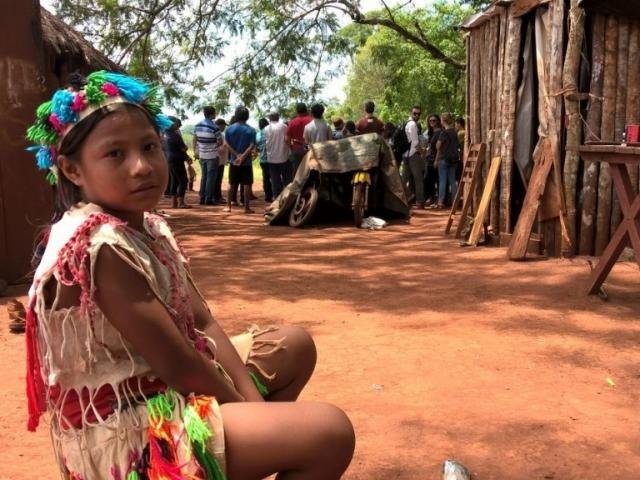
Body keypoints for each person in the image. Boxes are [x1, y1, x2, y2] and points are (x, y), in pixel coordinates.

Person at [24, 71, 355, 480]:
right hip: (128, 429)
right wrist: (249, 414)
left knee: (293, 345)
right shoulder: (98, 245)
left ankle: (245, 452)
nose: (142, 166)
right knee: (329, 433)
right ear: (72, 170)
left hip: (161, 387)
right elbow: (180, 365)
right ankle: (244, 451)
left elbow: (201, 322)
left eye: (149, 147)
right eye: (115, 155)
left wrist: (251, 408)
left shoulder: (146, 224)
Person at [224, 106, 257, 214]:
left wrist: (236, 155)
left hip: (234, 161)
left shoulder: (229, 129)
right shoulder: (251, 130)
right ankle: (246, 208)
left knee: (231, 183)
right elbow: (252, 145)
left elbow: (226, 144)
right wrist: (243, 156)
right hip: (246, 162)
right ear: (247, 116)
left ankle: (228, 206)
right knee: (247, 184)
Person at [193, 106, 223, 205]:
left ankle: (202, 197)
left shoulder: (197, 125)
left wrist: (195, 151)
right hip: (212, 155)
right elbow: (220, 141)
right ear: (212, 114)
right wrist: (213, 145)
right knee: (211, 177)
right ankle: (208, 199)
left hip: (202, 154)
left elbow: (195, 138)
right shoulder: (215, 127)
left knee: (204, 176)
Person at [164, 116, 192, 208]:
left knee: (174, 180)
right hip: (177, 159)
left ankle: (174, 202)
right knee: (183, 180)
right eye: (177, 123)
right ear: (171, 124)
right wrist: (187, 155)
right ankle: (181, 202)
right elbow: (183, 148)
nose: (178, 126)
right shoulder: (175, 135)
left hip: (168, 159)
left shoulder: (164, 134)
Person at [434, 112, 460, 209]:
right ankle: (455, 202)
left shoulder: (443, 132)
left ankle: (440, 202)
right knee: (453, 181)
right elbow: (457, 145)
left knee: (442, 180)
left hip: (444, 159)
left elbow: (438, 146)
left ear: (443, 121)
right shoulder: (454, 132)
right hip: (453, 159)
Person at [265, 111, 293, 198]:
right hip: (283, 156)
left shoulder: (266, 128)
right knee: (287, 179)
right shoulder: (284, 127)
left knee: (274, 179)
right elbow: (287, 139)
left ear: (269, 118)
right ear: (278, 117)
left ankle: (276, 197)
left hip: (271, 157)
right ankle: (287, 196)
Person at [405, 105, 425, 208]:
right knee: (418, 179)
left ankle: (408, 199)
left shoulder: (407, 123)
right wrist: (422, 152)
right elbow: (415, 142)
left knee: (407, 178)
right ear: (411, 113)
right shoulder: (412, 124)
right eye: (414, 113)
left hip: (406, 154)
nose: (416, 115)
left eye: (418, 114)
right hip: (413, 154)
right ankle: (420, 201)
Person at [285, 102, 312, 174]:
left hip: (296, 148)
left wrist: (291, 147)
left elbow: (287, 139)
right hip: (308, 147)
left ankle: (297, 184)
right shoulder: (311, 120)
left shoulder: (292, 122)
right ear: (306, 110)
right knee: (309, 170)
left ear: (297, 111)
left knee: (296, 171)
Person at [424, 114, 442, 206]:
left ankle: (438, 200)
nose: (432, 122)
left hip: (435, 158)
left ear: (438, 121)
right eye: (430, 120)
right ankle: (431, 198)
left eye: (434, 120)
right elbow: (429, 146)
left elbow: (439, 148)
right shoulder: (431, 132)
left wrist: (436, 160)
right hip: (429, 158)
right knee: (429, 179)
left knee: (436, 179)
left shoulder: (439, 132)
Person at [255, 117, 273, 202]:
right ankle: (275, 194)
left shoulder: (258, 135)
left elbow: (256, 148)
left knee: (265, 177)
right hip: (272, 158)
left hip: (262, 159)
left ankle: (267, 196)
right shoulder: (270, 133)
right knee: (274, 177)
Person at [214, 118, 228, 203]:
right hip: (218, 159)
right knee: (217, 179)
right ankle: (217, 197)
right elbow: (219, 148)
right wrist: (226, 147)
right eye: (223, 126)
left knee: (218, 179)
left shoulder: (221, 134)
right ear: (219, 125)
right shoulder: (219, 135)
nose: (224, 127)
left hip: (220, 160)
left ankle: (218, 196)